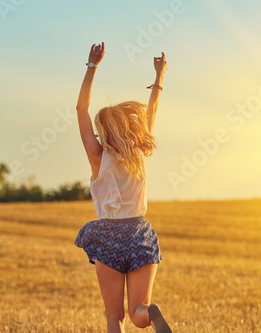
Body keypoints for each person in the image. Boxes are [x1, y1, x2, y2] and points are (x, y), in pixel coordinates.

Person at [74, 42, 172, 333]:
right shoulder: (139, 153)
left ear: (104, 131)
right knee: (137, 312)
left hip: (108, 236)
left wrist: (92, 66)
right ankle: (150, 313)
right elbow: (152, 110)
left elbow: (81, 109)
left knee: (114, 317)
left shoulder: (97, 157)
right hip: (140, 233)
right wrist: (159, 76)